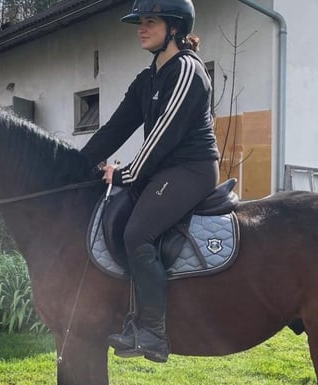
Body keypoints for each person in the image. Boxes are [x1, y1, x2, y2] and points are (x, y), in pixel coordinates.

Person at [81, 0, 220, 363]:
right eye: (139, 22)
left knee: (136, 234)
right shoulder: (148, 79)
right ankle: (128, 316)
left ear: (174, 27)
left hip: (191, 169)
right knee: (121, 222)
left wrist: (124, 172)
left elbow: (162, 136)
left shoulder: (187, 70)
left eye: (150, 22)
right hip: (162, 171)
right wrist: (75, 165)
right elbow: (115, 128)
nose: (141, 28)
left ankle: (153, 333)